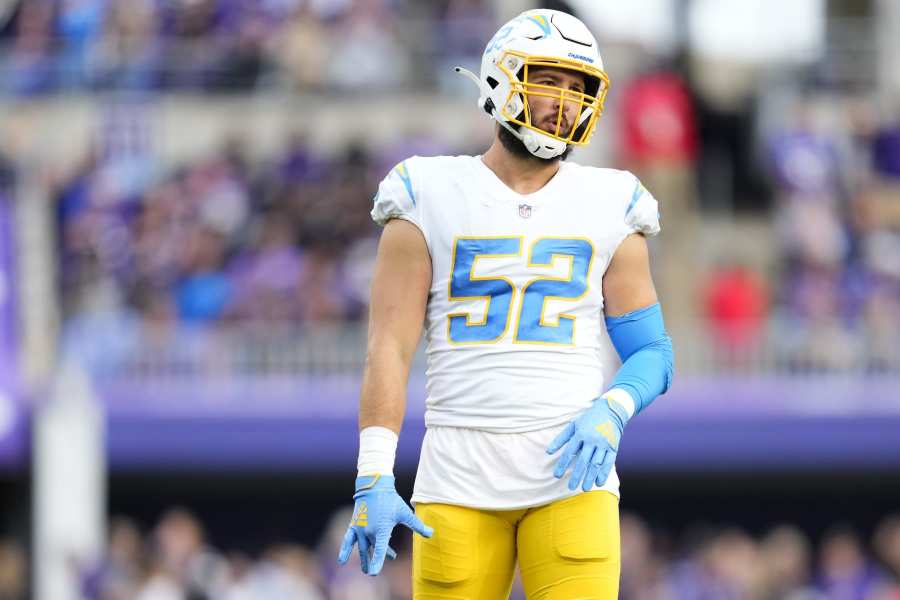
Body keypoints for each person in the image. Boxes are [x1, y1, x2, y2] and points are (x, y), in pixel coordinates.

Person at [337, 9, 674, 599]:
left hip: (571, 477)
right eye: (549, 80)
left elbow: (653, 352)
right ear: (502, 77)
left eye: (578, 89)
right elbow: (387, 349)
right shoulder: (427, 192)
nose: (565, 102)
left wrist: (614, 408)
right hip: (456, 478)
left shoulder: (612, 200)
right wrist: (372, 473)